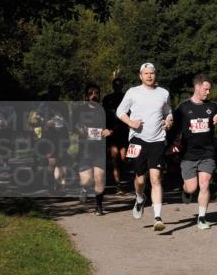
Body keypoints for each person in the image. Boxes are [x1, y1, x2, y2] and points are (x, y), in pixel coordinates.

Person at [116, 63, 174, 233]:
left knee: (155, 178)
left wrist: (169, 119)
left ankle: (157, 217)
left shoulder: (163, 93)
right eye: (146, 73)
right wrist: (131, 122)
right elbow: (120, 111)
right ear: (140, 76)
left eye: (152, 73)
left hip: (157, 140)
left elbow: (168, 111)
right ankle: (140, 198)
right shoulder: (133, 92)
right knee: (141, 180)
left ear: (155, 75)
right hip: (138, 139)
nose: (149, 76)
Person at [170, 73, 217, 230]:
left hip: (207, 153)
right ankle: (186, 191)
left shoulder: (213, 106)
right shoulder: (183, 107)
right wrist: (172, 143)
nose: (208, 92)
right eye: (206, 89)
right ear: (197, 87)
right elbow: (174, 128)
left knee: (204, 184)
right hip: (188, 155)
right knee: (192, 187)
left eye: (209, 90)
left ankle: (201, 218)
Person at [75, 84, 113, 215]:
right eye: (90, 93)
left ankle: (99, 205)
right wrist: (78, 130)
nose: (93, 96)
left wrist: (110, 131)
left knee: (100, 177)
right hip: (85, 148)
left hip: (99, 148)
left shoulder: (104, 111)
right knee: (87, 179)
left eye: (96, 93)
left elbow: (115, 125)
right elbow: (72, 125)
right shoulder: (79, 110)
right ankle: (84, 188)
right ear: (86, 96)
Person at [102, 78, 130, 192]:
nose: (118, 86)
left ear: (122, 85)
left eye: (120, 85)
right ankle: (118, 183)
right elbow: (103, 113)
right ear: (113, 86)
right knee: (114, 156)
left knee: (123, 157)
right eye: (116, 85)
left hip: (123, 130)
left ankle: (120, 177)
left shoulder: (126, 97)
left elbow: (130, 112)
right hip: (111, 131)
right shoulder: (107, 99)